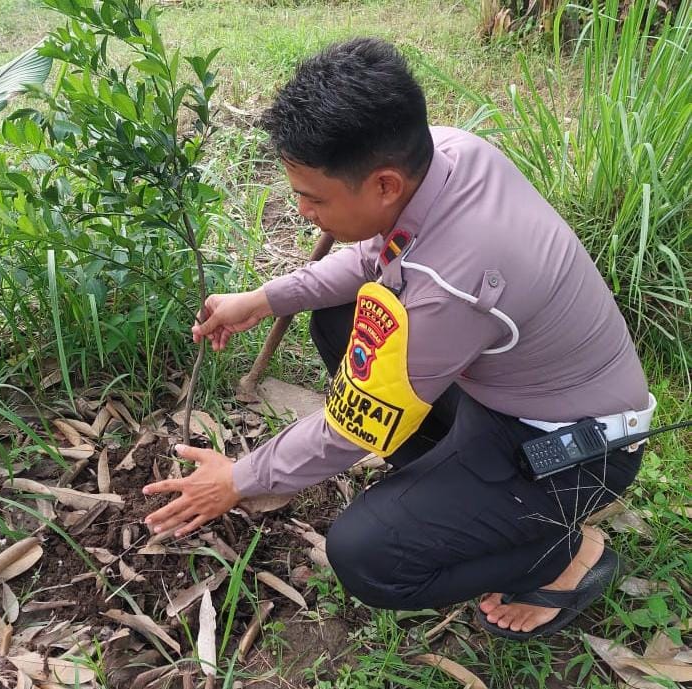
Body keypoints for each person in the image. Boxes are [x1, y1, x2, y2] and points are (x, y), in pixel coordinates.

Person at [142, 37, 655, 639]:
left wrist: (240, 478)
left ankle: (564, 554)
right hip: (511, 391)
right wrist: (262, 299)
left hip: (576, 452)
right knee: (339, 320)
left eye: (311, 197)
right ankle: (462, 487)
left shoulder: (453, 286)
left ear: (383, 184)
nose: (302, 210)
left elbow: (354, 425)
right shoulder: (452, 155)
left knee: (367, 556)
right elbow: (376, 258)